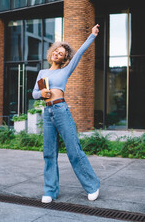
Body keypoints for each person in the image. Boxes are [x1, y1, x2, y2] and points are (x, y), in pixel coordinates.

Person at [32, 24, 100, 203]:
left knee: (73, 150)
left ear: (64, 59)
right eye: (56, 51)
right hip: (48, 113)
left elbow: (79, 54)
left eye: (61, 54)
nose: (57, 54)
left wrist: (92, 36)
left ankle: (92, 186)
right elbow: (34, 93)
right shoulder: (42, 73)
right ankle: (50, 191)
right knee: (49, 153)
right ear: (51, 53)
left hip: (61, 110)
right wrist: (41, 94)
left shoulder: (65, 70)